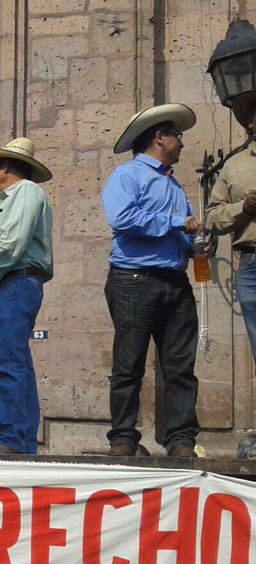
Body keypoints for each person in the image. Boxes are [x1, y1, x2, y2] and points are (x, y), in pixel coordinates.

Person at [101, 103, 204, 458]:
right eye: (178, 135)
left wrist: (196, 244)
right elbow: (123, 218)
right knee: (128, 364)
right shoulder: (127, 175)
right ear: (160, 137)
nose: (182, 142)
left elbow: (179, 232)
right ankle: (124, 438)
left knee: (180, 366)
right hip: (134, 279)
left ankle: (180, 439)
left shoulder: (173, 185)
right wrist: (178, 222)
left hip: (173, 281)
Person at [0, 138, 54, 456]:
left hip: (12, 283)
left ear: (5, 167)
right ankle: (21, 438)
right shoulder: (18, 196)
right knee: (16, 361)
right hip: (12, 284)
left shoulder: (25, 192)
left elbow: (12, 242)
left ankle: (11, 438)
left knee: (9, 362)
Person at [206, 92, 256, 369]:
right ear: (251, 124)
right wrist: (243, 208)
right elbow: (212, 217)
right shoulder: (234, 166)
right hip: (252, 265)